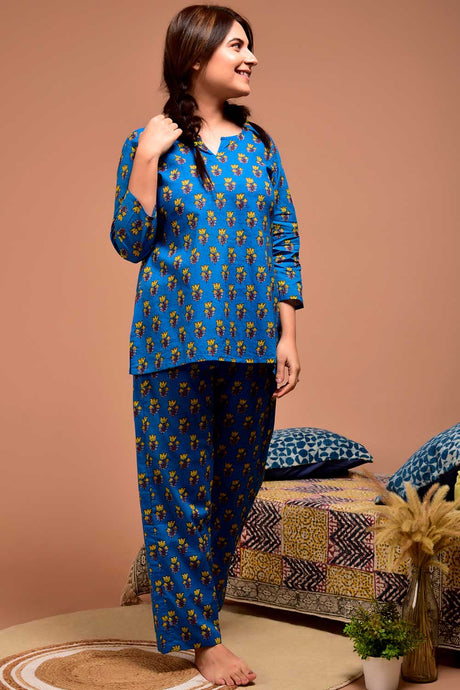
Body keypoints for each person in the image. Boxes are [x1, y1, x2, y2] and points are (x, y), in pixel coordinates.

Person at [109, 4, 304, 686]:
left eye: (251, 47)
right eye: (238, 47)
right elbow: (129, 241)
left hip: (251, 345)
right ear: (195, 57)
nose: (251, 58)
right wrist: (147, 157)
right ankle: (201, 638)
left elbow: (282, 240)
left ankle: (200, 615)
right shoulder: (148, 142)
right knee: (177, 492)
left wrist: (287, 333)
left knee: (233, 489)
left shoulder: (261, 147)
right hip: (172, 345)